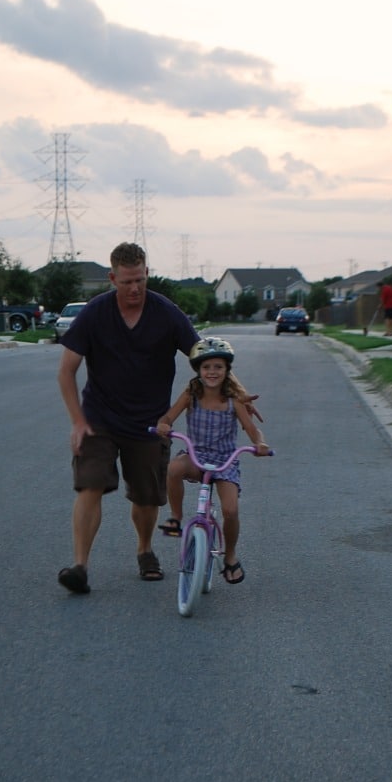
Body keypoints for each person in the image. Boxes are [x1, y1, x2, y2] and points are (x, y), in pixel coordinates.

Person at [56, 242, 260, 594]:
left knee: (147, 498)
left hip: (149, 421)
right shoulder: (95, 312)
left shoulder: (166, 313)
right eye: (126, 282)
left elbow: (205, 359)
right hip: (99, 417)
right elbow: (66, 372)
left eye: (139, 280)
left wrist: (238, 393)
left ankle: (145, 550)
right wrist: (77, 420)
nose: (134, 289)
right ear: (112, 278)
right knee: (90, 484)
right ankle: (80, 566)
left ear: (147, 273)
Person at [155, 338, 270, 585]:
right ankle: (175, 517)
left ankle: (230, 557)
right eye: (206, 367)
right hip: (196, 457)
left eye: (218, 367)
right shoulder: (191, 394)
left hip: (225, 461)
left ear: (227, 370)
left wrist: (260, 443)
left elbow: (251, 430)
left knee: (230, 510)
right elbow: (169, 415)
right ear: (198, 370)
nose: (212, 372)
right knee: (173, 468)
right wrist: (164, 425)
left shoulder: (234, 399)